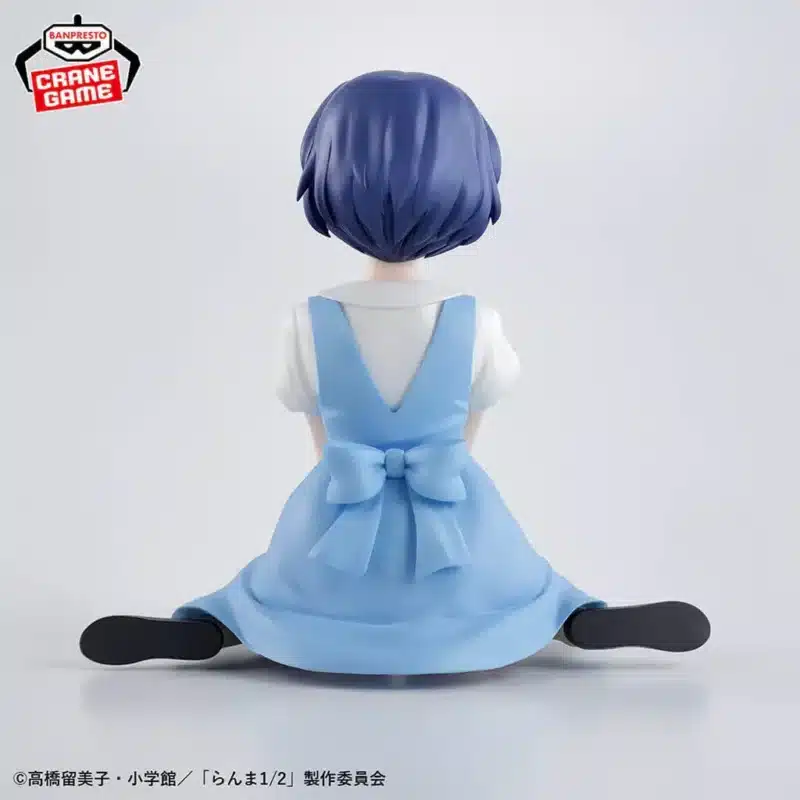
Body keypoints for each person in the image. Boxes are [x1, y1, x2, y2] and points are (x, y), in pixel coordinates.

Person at [80, 71, 710, 670]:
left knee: (278, 590)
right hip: (451, 506)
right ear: (471, 185)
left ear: (325, 179)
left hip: (340, 505)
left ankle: (213, 628)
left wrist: (349, 491)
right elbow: (471, 426)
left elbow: (320, 437)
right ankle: (577, 620)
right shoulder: (476, 320)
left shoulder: (309, 320)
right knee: (517, 587)